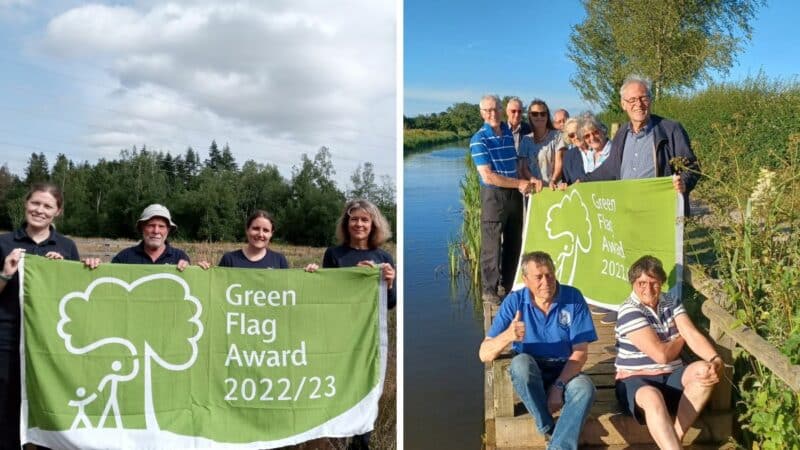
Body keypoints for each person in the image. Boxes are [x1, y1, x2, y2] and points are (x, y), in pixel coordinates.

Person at [480, 251, 597, 450]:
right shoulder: (514, 301)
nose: (546, 281)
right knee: (520, 364)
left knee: (585, 389)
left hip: (564, 368)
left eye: (550, 274)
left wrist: (558, 386)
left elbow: (580, 352)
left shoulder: (572, 298)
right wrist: (508, 335)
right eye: (539, 277)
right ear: (525, 280)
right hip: (531, 371)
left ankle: (557, 446)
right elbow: (484, 354)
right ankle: (548, 428)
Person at [305, 199, 395, 450]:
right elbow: (327, 296)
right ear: (346, 223)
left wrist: (387, 282)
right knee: (342, 386)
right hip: (340, 336)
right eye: (354, 219)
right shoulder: (334, 255)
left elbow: (390, 303)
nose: (359, 224)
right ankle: (334, 438)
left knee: (368, 390)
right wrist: (314, 278)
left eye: (364, 219)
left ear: (373, 224)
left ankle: (361, 442)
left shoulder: (384, 257)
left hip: (369, 338)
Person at [0, 182, 80, 448]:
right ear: (26, 204)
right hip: (7, 339)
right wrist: (5, 273)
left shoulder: (67, 247)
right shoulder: (4, 243)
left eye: (48, 206)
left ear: (57, 211)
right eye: (35, 203)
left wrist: (62, 273)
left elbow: (73, 299)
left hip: (48, 342)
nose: (40, 210)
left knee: (47, 401)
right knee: (6, 405)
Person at [615, 255, 722, 450]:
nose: (648, 289)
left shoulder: (670, 301)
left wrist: (715, 359)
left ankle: (675, 439)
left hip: (671, 375)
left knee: (705, 370)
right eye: (641, 283)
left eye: (654, 283)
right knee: (652, 396)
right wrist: (680, 338)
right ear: (633, 283)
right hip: (636, 379)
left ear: (662, 282)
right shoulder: (628, 310)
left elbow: (690, 332)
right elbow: (662, 355)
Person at [582, 75, 700, 215]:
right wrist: (580, 182)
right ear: (623, 104)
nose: (638, 104)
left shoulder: (671, 130)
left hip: (661, 213)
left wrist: (684, 183)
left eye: (643, 98)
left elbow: (692, 167)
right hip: (628, 212)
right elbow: (610, 169)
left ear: (650, 100)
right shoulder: (621, 134)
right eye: (632, 100)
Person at [470, 94, 531, 304]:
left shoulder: (507, 132)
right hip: (493, 196)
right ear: (481, 113)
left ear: (500, 109)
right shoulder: (479, 139)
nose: (492, 113)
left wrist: (526, 181)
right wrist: (519, 183)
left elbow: (516, 163)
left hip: (514, 194)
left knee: (514, 241)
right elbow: (488, 176)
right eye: (487, 110)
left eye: (495, 109)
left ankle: (509, 284)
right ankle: (489, 289)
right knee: (491, 244)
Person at [84, 204, 193, 270]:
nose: (156, 231)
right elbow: (109, 286)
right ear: (142, 228)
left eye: (161, 226)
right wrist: (94, 268)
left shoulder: (180, 258)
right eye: (151, 225)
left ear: (168, 230)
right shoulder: (124, 258)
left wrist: (202, 271)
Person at [518, 99, 568, 189]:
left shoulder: (557, 136)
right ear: (530, 116)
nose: (539, 116)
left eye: (543, 113)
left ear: (547, 116)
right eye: (535, 114)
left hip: (554, 188)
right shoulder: (525, 140)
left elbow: (559, 163)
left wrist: (553, 180)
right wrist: (533, 179)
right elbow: (523, 168)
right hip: (533, 189)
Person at [218, 210, 288, 269]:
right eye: (256, 228)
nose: (260, 234)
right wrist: (206, 273)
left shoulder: (279, 260)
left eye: (266, 230)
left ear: (271, 234)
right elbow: (217, 284)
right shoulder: (229, 259)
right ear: (247, 230)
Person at [561, 115, 611, 186]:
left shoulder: (602, 149)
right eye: (572, 135)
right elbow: (566, 182)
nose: (576, 137)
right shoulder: (569, 156)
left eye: (578, 132)